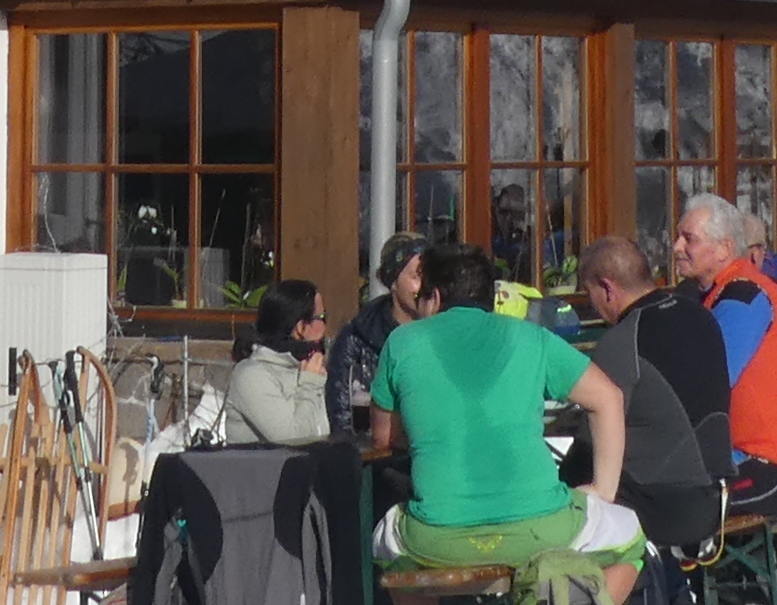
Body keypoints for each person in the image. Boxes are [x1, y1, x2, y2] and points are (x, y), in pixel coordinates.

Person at [367, 242, 640, 585]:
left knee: (386, 548)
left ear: (433, 298)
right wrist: (603, 490)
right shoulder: (532, 338)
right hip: (539, 529)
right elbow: (608, 398)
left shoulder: (402, 342)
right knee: (630, 544)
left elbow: (383, 436)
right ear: (492, 299)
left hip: (439, 536)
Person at [569, 235, 733, 559]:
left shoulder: (622, 340)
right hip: (717, 496)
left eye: (590, 295)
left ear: (607, 288)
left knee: (563, 503)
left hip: (663, 508)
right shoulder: (700, 315)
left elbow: (589, 446)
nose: (593, 306)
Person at [675, 192, 777, 490]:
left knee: (662, 502)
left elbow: (709, 381)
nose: (677, 247)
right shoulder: (704, 294)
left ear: (724, 249)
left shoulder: (744, 295)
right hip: (745, 455)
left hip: (769, 461)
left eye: (688, 239)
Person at [326, 237, 433, 438]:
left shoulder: (442, 333)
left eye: (431, 277)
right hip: (376, 459)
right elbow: (342, 418)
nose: (426, 287)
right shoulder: (357, 337)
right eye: (417, 276)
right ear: (393, 281)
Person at [218, 281, 330, 447]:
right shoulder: (252, 376)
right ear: (300, 327)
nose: (326, 325)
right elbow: (295, 441)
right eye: (322, 317)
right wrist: (310, 385)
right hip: (264, 472)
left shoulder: (302, 368)